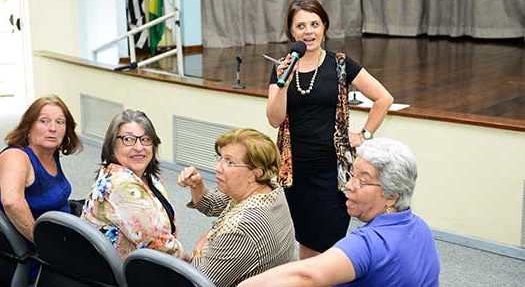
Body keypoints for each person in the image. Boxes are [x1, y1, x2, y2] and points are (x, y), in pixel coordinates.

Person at [267, 0, 394, 259]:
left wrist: (364, 135)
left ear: (324, 26)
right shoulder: (282, 68)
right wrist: (283, 83)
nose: (308, 31)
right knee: (305, 240)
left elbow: (384, 98)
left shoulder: (340, 64)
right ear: (291, 31)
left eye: (314, 23)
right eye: (301, 26)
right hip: (294, 173)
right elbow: (275, 119)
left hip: (331, 174)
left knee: (328, 244)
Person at [239, 138, 440, 287]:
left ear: (392, 196)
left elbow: (306, 276)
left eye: (363, 180)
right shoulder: (419, 226)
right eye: (352, 174)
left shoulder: (369, 242)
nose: (348, 186)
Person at [177, 128, 295, 287]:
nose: (218, 167)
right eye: (220, 158)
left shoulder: (244, 227)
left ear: (255, 173)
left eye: (229, 162)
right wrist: (197, 186)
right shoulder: (270, 190)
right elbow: (213, 204)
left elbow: (199, 282)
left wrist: (198, 249)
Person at [81, 109, 183, 258]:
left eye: (145, 139)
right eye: (128, 139)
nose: (139, 147)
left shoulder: (149, 177)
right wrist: (193, 259)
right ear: (112, 145)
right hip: (119, 273)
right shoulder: (121, 183)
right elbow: (158, 246)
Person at [0, 95, 82, 280]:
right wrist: (47, 246)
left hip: (61, 238)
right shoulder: (16, 156)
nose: (53, 128)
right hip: (38, 256)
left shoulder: (50, 153)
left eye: (60, 122)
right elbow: (11, 202)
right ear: (29, 127)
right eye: (44, 121)